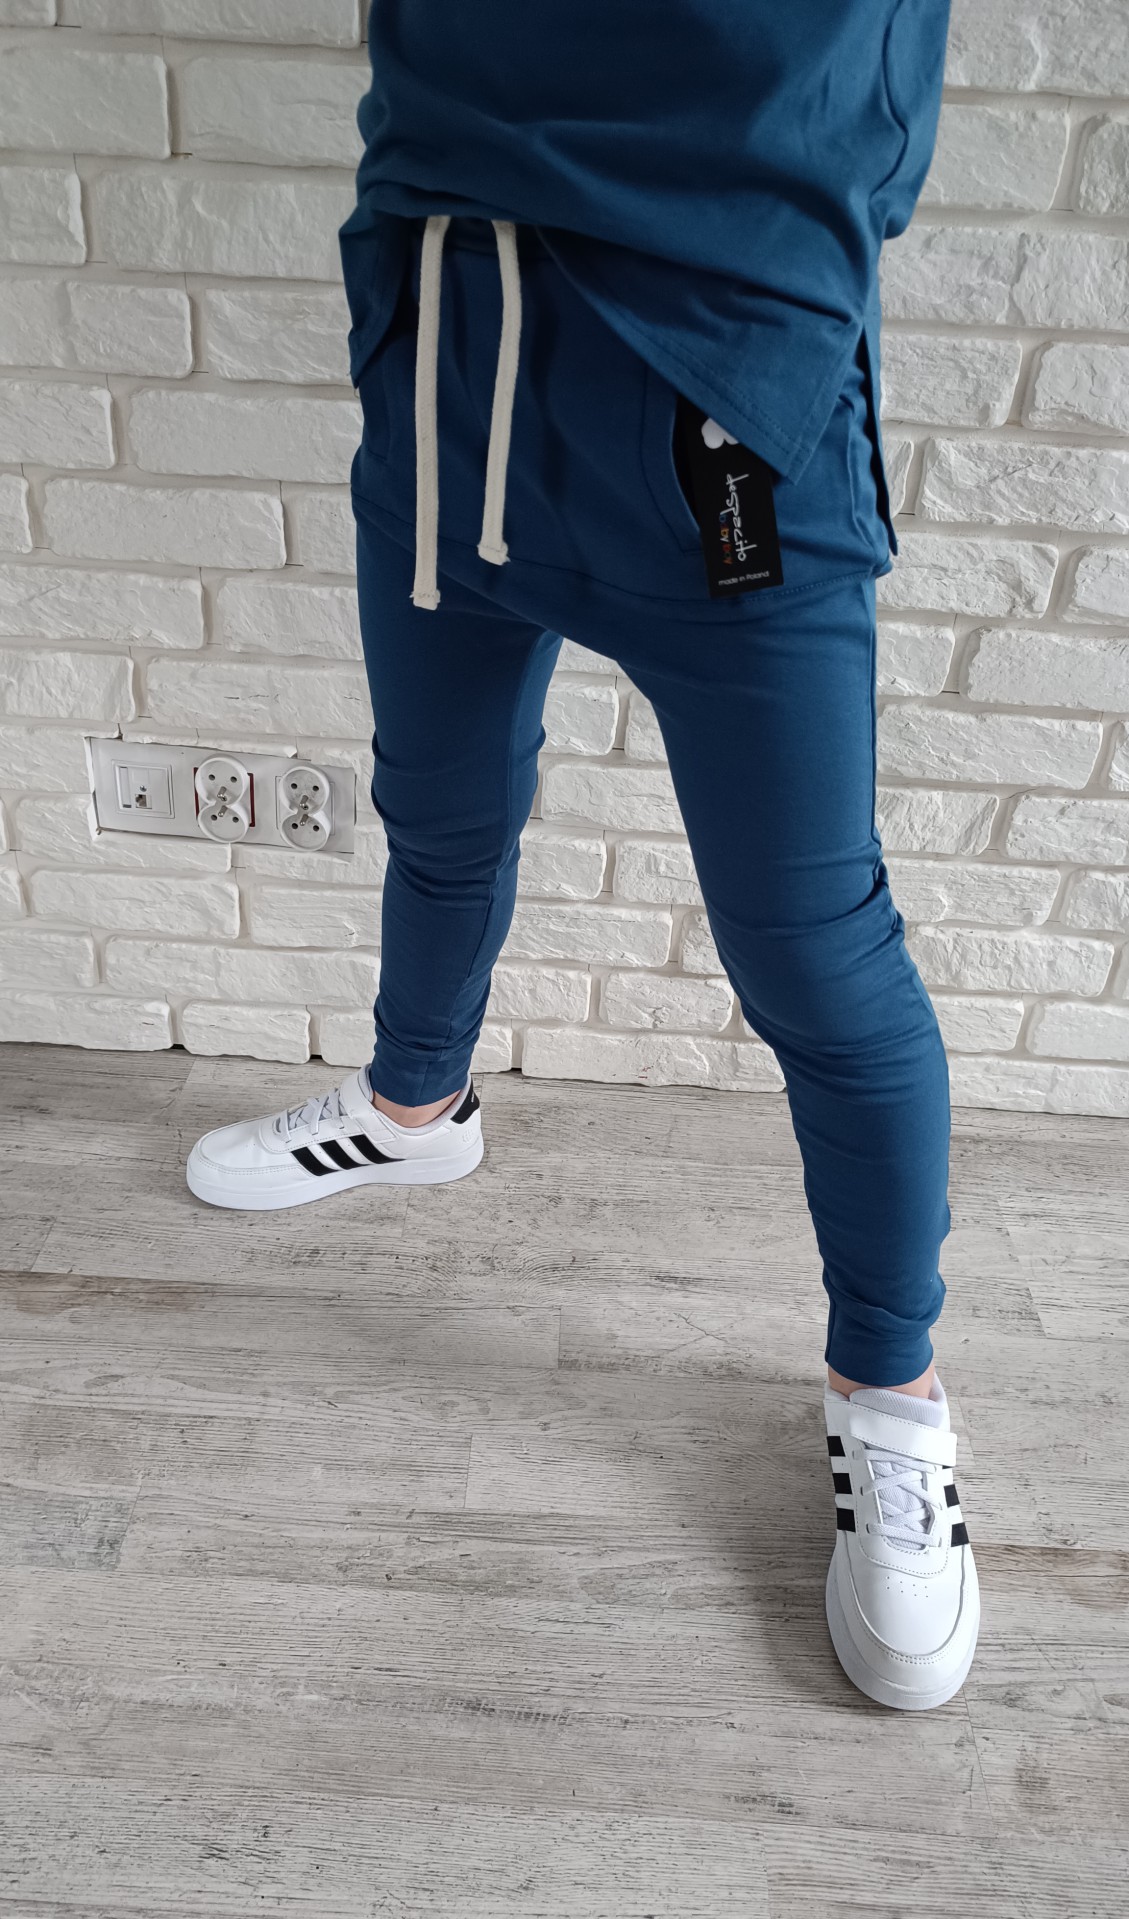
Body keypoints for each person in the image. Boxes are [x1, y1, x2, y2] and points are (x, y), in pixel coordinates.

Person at [187, 0, 978, 1710]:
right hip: (450, 360)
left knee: (814, 951)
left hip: (726, 400)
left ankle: (891, 1393)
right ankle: (413, 1111)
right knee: (438, 815)